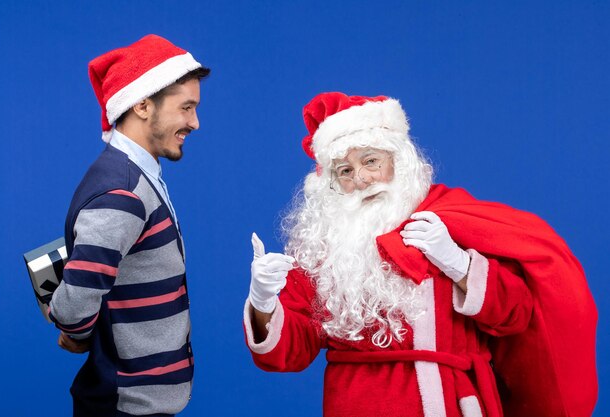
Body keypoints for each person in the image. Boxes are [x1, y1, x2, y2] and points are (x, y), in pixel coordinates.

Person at [244, 92, 597, 417]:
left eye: (371, 161)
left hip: (454, 403)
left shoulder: (450, 222)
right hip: (356, 404)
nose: (363, 179)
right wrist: (263, 303)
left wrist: (459, 265)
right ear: (332, 184)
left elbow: (515, 316)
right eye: (346, 172)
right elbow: (291, 351)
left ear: (399, 161)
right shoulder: (325, 246)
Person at [48, 34, 210, 417]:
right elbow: (75, 303)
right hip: (126, 406)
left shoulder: (136, 176)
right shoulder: (123, 191)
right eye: (186, 108)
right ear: (141, 105)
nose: (195, 122)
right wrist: (74, 329)